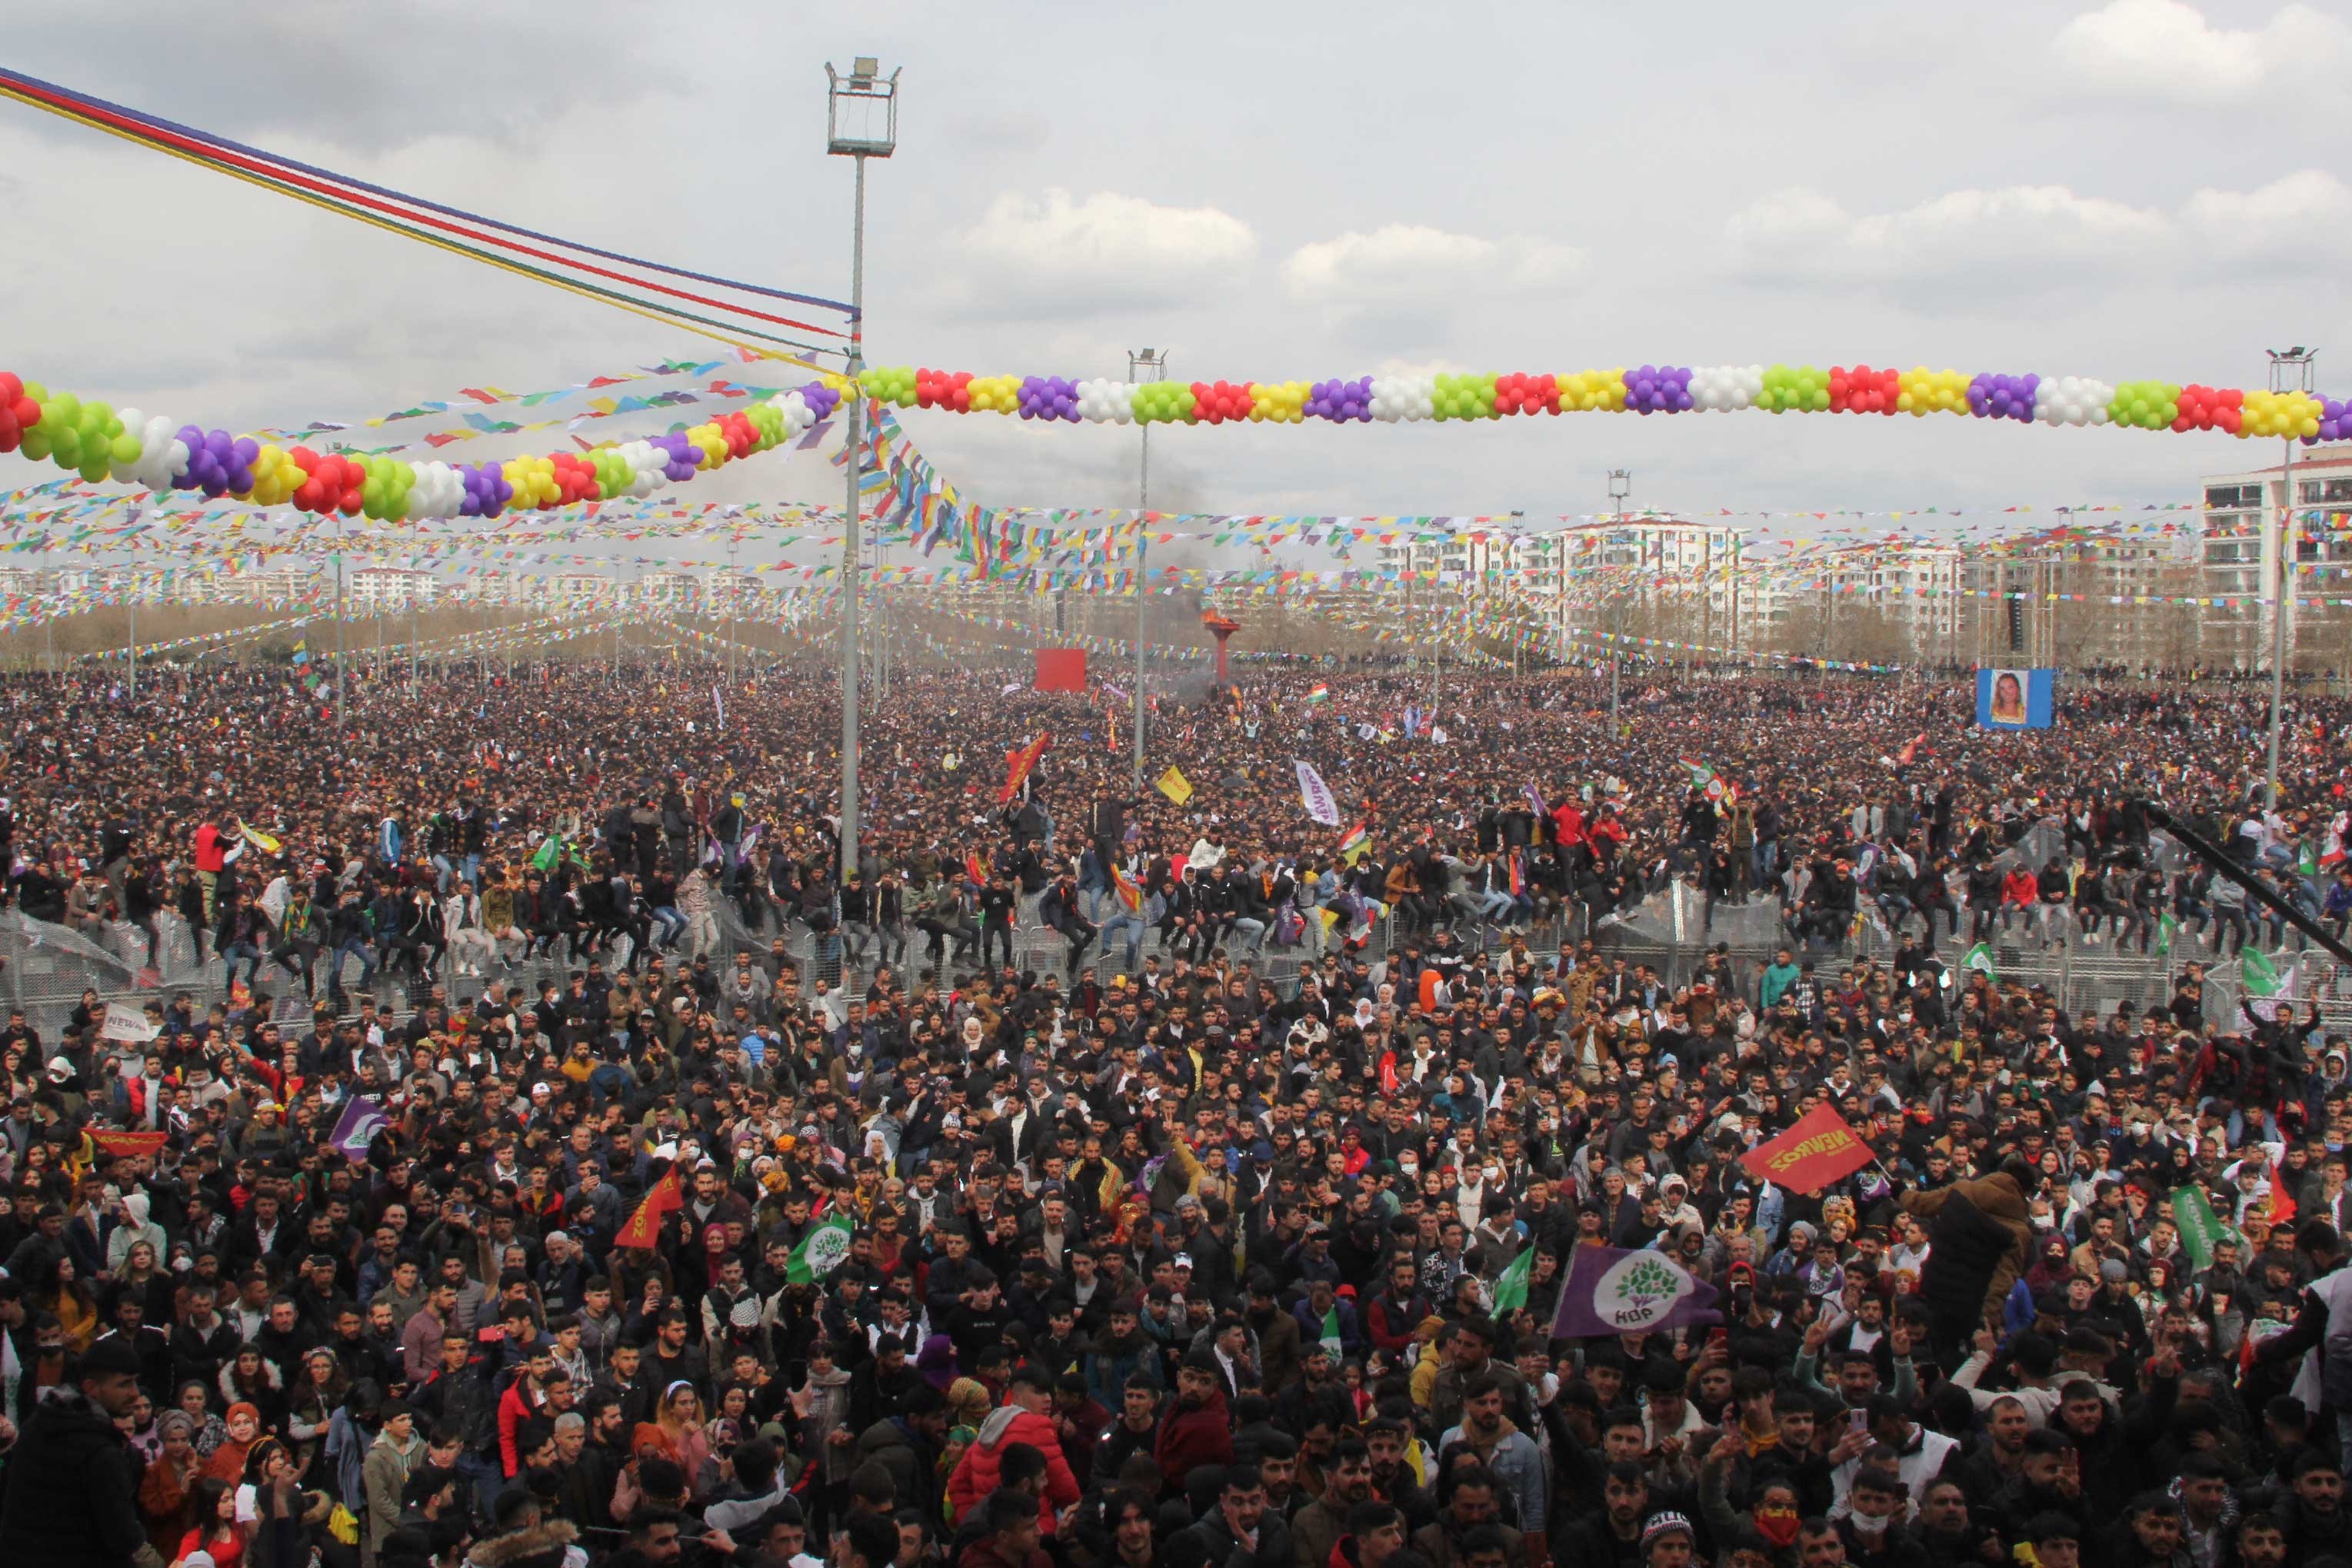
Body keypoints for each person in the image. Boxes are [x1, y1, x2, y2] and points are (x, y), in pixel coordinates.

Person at [0, 1337, 152, 1568]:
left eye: (135, 1382)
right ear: (91, 1388)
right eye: (124, 1384)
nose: (134, 1393)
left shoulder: (39, 1422)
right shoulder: (99, 1451)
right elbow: (122, 1537)